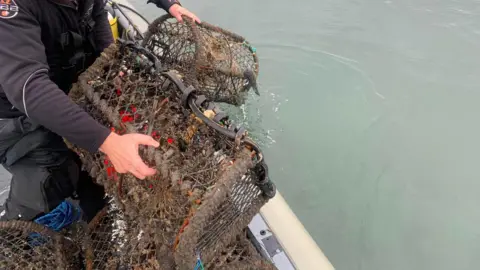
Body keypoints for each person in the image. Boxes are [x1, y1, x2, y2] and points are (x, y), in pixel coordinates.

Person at [0, 0, 199, 222]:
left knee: (93, 189)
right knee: (55, 177)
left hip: (71, 87)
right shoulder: (10, 10)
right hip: (18, 116)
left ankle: (89, 207)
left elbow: (97, 12)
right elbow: (29, 89)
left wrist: (169, 5)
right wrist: (108, 141)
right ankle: (15, 229)